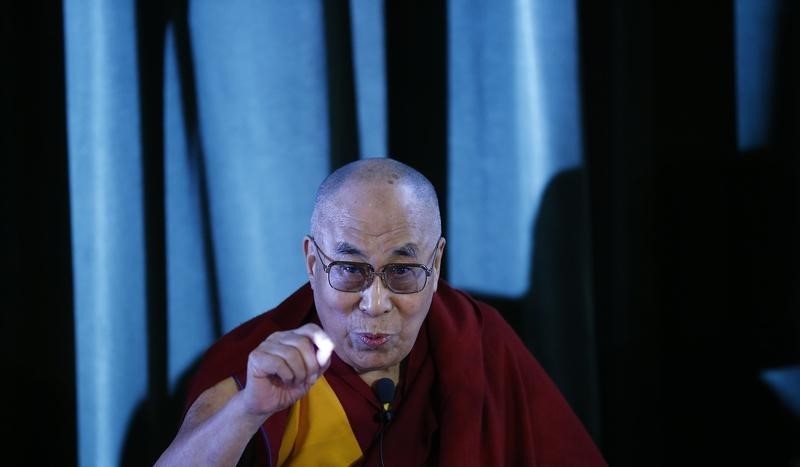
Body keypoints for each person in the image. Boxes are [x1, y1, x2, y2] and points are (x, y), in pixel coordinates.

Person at [155, 158, 607, 466]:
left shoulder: (477, 340)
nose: (374, 303)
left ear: (436, 263)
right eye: (350, 270)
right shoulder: (262, 362)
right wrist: (248, 411)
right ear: (313, 263)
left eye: (403, 271)